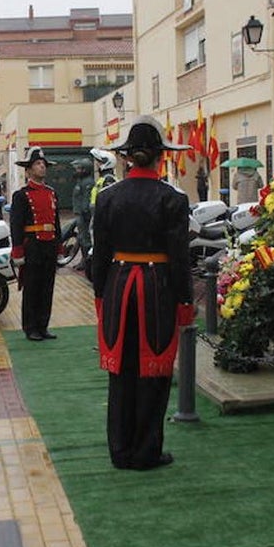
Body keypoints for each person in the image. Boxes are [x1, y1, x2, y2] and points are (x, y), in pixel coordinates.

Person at [90, 115, 194, 471]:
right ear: (160, 156)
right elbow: (180, 258)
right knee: (153, 373)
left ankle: (120, 451)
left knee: (121, 372)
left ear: (128, 157)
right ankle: (146, 451)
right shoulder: (173, 200)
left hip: (119, 285)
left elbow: (99, 253)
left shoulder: (107, 198)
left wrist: (100, 296)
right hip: (156, 288)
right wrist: (185, 302)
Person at [9, 146, 60, 341]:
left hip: (49, 245)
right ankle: (30, 327)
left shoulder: (52, 193)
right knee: (32, 288)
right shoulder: (21, 195)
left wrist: (60, 245)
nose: (42, 167)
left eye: (43, 164)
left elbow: (55, 222)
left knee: (48, 287)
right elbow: (16, 225)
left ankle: (43, 325)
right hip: (33, 246)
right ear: (28, 170)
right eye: (38, 164)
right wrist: (18, 251)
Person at [71, 158, 94, 270]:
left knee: (85, 239)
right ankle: (83, 260)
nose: (77, 170)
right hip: (79, 213)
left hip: (83, 215)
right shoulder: (80, 181)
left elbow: (86, 199)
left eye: (80, 168)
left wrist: (85, 212)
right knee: (81, 237)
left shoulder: (88, 182)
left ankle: (87, 262)